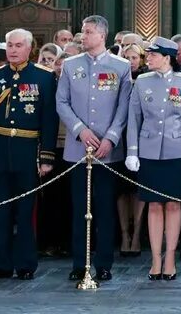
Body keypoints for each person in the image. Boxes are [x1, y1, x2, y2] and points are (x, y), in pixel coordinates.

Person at [56, 15, 133, 283]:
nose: (82, 36)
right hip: (78, 150)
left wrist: (111, 137)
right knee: (79, 208)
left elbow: (124, 107)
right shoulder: (70, 65)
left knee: (104, 208)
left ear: (102, 35)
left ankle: (103, 263)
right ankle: (80, 262)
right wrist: (80, 130)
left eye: (87, 32)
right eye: (82, 31)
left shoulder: (121, 67)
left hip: (107, 151)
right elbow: (62, 102)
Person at [0, 28, 57, 281]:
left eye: (18, 45)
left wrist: (46, 156)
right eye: (10, 45)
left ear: (29, 48)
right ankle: (0, 265)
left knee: (25, 212)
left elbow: (49, 120)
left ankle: (25, 264)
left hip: (27, 150)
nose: (12, 50)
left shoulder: (43, 77)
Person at [123, 36, 181, 280]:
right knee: (154, 205)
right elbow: (133, 119)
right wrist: (132, 152)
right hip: (149, 151)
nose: (150, 58)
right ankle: (155, 260)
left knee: (174, 205)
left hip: (177, 152)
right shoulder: (142, 82)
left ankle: (170, 258)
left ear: (167, 58)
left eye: (154, 55)